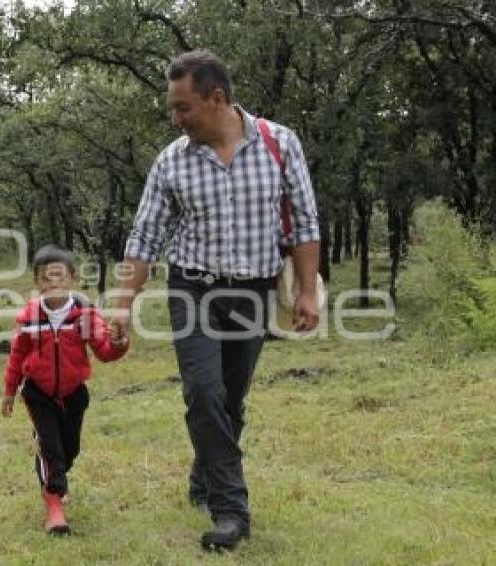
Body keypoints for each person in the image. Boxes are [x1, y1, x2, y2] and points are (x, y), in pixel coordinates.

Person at [113, 50, 321, 551]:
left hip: (253, 290)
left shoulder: (279, 143)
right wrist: (122, 303)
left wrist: (308, 290)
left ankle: (204, 476)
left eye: (184, 107)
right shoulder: (171, 161)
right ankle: (231, 511)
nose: (175, 118)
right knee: (203, 393)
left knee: (230, 399)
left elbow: (304, 222)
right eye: (172, 108)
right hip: (194, 288)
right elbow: (145, 237)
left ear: (217, 98)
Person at [2, 244, 129, 535]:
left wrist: (119, 343)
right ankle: (54, 506)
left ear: (71, 278)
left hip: (73, 394)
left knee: (69, 449)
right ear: (37, 283)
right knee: (51, 451)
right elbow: (16, 356)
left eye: (59, 276)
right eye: (46, 278)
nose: (53, 283)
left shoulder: (83, 313)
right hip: (38, 392)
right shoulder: (28, 318)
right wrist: (9, 390)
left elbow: (105, 351)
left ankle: (55, 471)